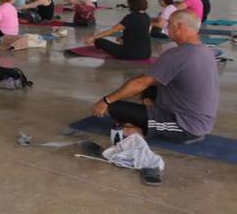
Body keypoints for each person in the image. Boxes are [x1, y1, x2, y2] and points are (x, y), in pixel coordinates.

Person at [92, 10, 218, 181]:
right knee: (149, 86)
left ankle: (144, 129)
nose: (166, 27)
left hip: (187, 126)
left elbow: (140, 83)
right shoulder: (205, 50)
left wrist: (106, 100)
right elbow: (152, 82)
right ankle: (150, 117)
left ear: (179, 26)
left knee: (115, 107)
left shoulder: (177, 55)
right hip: (198, 116)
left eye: (169, 24)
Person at [84, 0, 151, 61]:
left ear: (131, 3)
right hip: (146, 54)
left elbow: (113, 31)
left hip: (130, 54)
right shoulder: (146, 16)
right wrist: (123, 38)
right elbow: (140, 33)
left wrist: (94, 37)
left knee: (99, 41)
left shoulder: (130, 17)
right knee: (121, 40)